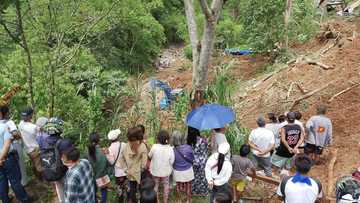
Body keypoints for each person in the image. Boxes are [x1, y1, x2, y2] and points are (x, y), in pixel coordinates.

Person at [0, 119, 29, 203]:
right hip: (7, 158)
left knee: (1, 183)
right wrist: (1, 158)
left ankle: (6, 201)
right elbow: (7, 145)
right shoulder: (3, 126)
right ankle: (24, 200)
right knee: (15, 181)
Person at [0, 106, 28, 186]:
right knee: (19, 165)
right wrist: (16, 135)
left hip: (1, 151)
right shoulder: (9, 122)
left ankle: (11, 186)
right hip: (12, 147)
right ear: (6, 113)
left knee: (4, 174)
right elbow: (15, 134)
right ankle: (23, 183)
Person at [119, 127, 148, 203]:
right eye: (130, 140)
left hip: (135, 174)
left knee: (136, 191)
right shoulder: (129, 146)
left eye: (131, 140)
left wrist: (127, 169)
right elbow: (121, 158)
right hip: (134, 174)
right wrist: (126, 169)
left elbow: (144, 163)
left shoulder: (139, 146)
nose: (131, 142)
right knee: (136, 191)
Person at [42, 117, 67, 203]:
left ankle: (62, 201)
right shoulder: (62, 142)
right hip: (64, 171)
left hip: (52, 170)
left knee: (59, 186)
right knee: (67, 187)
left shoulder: (44, 141)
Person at [148, 130, 174, 203]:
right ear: (167, 140)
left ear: (158, 139)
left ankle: (157, 201)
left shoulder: (154, 147)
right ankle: (165, 201)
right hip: (166, 172)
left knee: (155, 186)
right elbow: (172, 161)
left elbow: (149, 156)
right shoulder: (170, 148)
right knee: (166, 185)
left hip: (155, 171)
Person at [18, 107, 43, 179]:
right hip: (35, 149)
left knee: (35, 164)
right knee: (39, 166)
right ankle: (43, 181)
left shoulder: (20, 124)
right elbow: (42, 132)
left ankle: (38, 179)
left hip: (28, 150)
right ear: (30, 115)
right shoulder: (34, 127)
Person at [172, 131, 194, 203]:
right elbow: (192, 158)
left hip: (177, 171)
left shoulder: (172, 150)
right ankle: (188, 200)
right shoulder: (188, 147)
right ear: (182, 138)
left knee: (179, 187)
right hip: (188, 171)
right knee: (188, 187)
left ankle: (180, 200)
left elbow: (172, 161)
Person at [88, 132, 111, 203]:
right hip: (102, 176)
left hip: (92, 176)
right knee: (104, 191)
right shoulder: (103, 151)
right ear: (99, 140)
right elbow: (108, 164)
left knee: (93, 192)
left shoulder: (87, 152)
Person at [105, 129, 127, 203]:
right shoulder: (124, 144)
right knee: (127, 187)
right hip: (126, 170)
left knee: (120, 188)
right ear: (118, 137)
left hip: (118, 172)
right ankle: (128, 199)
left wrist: (107, 154)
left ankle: (121, 201)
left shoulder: (110, 149)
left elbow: (111, 162)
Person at [187, 126, 209, 196]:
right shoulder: (202, 140)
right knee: (202, 177)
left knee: (194, 177)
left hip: (193, 161)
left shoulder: (188, 140)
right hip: (202, 162)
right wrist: (206, 141)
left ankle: (194, 191)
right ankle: (203, 192)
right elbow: (206, 149)